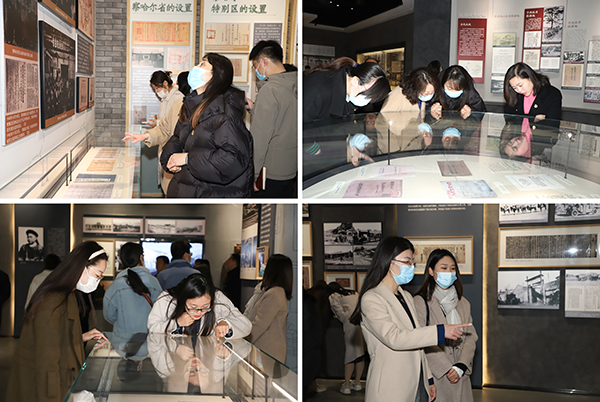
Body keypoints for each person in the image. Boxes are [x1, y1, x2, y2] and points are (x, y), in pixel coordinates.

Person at [349, 236, 470, 402]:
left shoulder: (406, 296)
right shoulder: (372, 298)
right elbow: (395, 338)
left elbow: (417, 342)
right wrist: (440, 331)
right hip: (391, 384)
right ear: (389, 262)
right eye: (407, 261)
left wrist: (428, 379)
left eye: (412, 262)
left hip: (417, 381)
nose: (411, 266)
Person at [7, 241, 109, 402]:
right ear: (82, 266)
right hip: (39, 388)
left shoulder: (68, 294)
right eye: (97, 275)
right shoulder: (53, 301)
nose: (98, 280)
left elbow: (53, 338)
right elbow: (47, 361)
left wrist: (80, 337)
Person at [160, 53, 254, 198]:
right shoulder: (190, 105)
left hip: (211, 196)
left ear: (216, 76)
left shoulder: (225, 112)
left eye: (203, 64)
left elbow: (232, 159)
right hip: (186, 190)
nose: (195, 68)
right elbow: (177, 138)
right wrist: (169, 158)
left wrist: (188, 159)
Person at [413, 249, 477, 402]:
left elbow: (470, 337)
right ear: (431, 271)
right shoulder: (420, 302)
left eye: (452, 268)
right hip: (436, 376)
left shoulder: (463, 303)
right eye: (444, 268)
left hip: (461, 375)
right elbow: (421, 339)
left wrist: (461, 366)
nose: (449, 272)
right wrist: (448, 368)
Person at [247, 40, 297, 198]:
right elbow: (285, 118)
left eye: (255, 66)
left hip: (270, 172)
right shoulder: (295, 82)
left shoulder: (269, 90)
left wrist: (254, 175)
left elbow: (260, 138)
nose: (256, 71)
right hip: (290, 168)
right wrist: (254, 108)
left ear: (264, 61)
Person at [122, 70, 185, 194]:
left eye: (157, 88)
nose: (156, 92)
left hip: (173, 148)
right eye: (154, 89)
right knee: (166, 184)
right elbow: (165, 124)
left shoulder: (178, 99)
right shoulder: (165, 99)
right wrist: (151, 129)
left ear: (165, 83)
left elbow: (172, 128)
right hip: (164, 144)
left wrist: (155, 126)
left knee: (171, 186)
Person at [147, 273, 252, 338]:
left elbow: (246, 325)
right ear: (183, 299)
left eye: (205, 307)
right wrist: (176, 323)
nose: (199, 312)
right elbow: (152, 328)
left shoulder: (218, 297)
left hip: (206, 357)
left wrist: (227, 324)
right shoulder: (167, 299)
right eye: (193, 307)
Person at [303, 57, 390, 123]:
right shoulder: (319, 89)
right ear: (355, 81)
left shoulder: (347, 93)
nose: (367, 101)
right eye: (367, 96)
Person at [103, 242, 163, 333]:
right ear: (141, 258)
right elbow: (160, 312)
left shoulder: (115, 285)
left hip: (122, 338)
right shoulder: (153, 282)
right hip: (148, 337)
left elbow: (109, 315)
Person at [245, 254, 293, 363]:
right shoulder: (272, 291)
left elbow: (259, 325)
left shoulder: (274, 293)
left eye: (267, 264)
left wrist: (243, 341)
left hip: (266, 353)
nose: (263, 267)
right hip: (265, 351)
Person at [328, 282, 365, 395]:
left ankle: (347, 385)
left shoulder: (333, 296)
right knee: (360, 353)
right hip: (361, 322)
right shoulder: (353, 292)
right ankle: (357, 383)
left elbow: (340, 313)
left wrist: (345, 319)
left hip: (349, 324)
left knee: (350, 355)